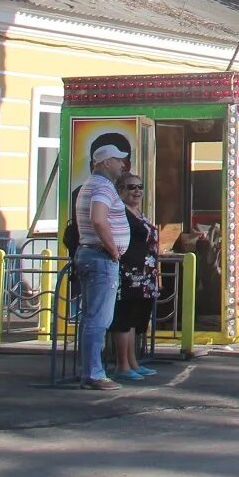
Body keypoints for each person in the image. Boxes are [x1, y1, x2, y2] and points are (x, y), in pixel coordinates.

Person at [73, 142, 131, 390]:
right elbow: (98, 219)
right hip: (100, 258)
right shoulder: (102, 187)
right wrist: (112, 249)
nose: (122, 164)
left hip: (90, 254)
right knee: (99, 318)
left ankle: (90, 370)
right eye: (118, 160)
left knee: (90, 317)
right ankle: (95, 374)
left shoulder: (92, 184)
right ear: (106, 162)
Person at [108, 174, 161, 381]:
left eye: (139, 187)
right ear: (120, 190)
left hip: (145, 273)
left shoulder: (138, 212)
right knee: (124, 318)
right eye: (131, 187)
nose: (136, 191)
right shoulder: (120, 212)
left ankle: (133, 362)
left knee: (135, 320)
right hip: (127, 273)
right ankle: (122, 365)